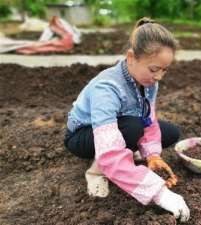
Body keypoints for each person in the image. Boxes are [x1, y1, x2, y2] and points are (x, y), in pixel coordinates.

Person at [64, 17, 190, 222]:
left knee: (170, 132)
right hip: (82, 136)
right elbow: (112, 149)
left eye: (164, 70)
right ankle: (97, 173)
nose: (159, 77)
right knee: (132, 129)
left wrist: (153, 156)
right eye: (154, 69)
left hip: (122, 126)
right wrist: (159, 193)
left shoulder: (148, 82)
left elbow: (149, 118)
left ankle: (130, 158)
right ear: (131, 57)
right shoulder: (106, 88)